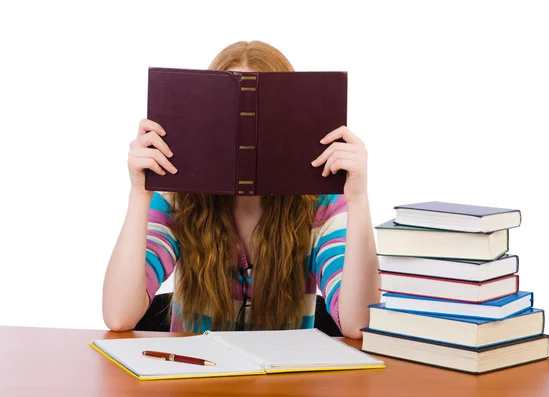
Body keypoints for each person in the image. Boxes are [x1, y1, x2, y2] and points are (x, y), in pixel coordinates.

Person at [102, 40, 380, 339]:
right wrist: (140, 193)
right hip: (197, 379)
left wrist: (358, 199)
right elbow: (118, 315)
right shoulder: (178, 198)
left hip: (285, 382)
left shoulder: (321, 206)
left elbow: (359, 324)